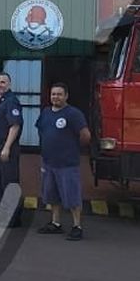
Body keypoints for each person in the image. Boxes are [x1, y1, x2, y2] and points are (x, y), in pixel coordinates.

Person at [35, 82, 91, 241]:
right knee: (51, 195)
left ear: (66, 96)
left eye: (59, 94)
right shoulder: (45, 112)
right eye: (53, 94)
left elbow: (85, 135)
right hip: (48, 162)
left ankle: (77, 226)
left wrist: (71, 147)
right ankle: (55, 223)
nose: (56, 97)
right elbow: (41, 130)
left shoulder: (73, 114)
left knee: (72, 196)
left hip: (67, 163)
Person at [0, 72, 24, 227]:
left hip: (6, 148)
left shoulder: (11, 101)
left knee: (9, 184)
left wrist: (7, 148)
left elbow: (15, 126)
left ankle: (12, 219)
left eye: (3, 82)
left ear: (9, 84)